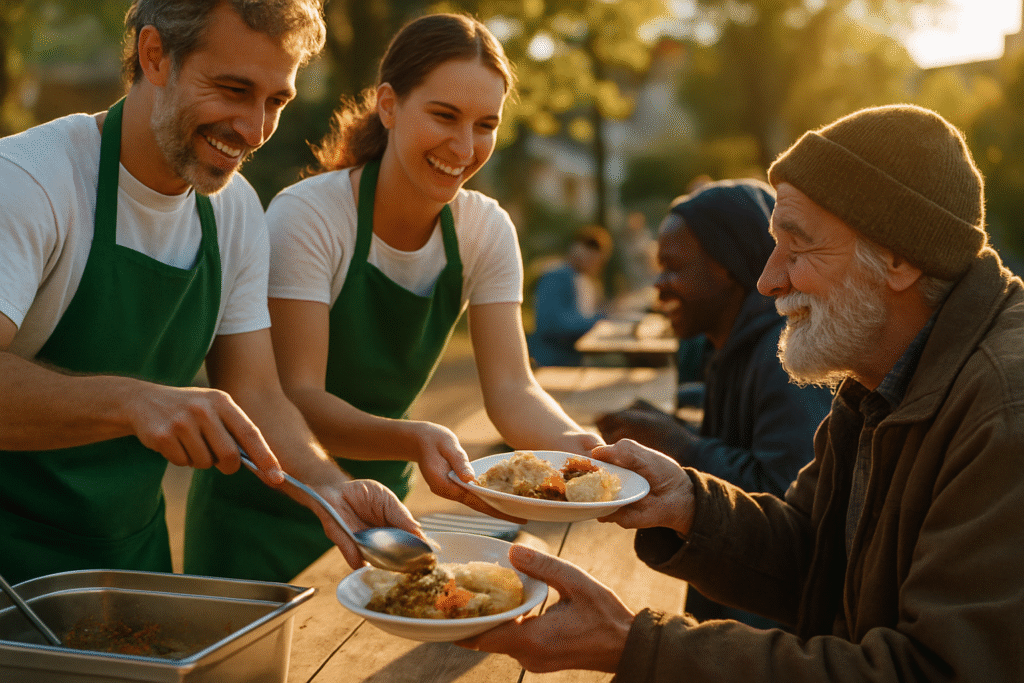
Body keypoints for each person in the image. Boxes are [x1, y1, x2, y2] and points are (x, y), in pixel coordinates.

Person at [465, 104, 1024, 682]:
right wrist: (687, 503)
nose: (768, 279)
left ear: (899, 257)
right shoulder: (883, 373)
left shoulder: (1005, 412)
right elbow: (812, 555)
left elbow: (932, 671)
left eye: (798, 247)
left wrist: (638, 647)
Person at [0, 0, 421, 587]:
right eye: (232, 88)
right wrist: (136, 402)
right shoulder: (31, 181)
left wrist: (332, 489)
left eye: (276, 101)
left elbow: (256, 393)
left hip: (130, 567)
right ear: (155, 56)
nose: (253, 130)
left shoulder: (235, 210)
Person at [184, 13, 603, 582]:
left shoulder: (484, 230)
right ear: (388, 106)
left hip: (383, 518)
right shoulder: (309, 216)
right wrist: (415, 436)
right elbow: (296, 396)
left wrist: (588, 455)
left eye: (486, 124)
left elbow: (513, 389)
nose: (464, 145)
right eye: (444, 115)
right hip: (265, 516)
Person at [595, 179, 831, 626]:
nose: (659, 286)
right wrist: (663, 429)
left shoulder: (786, 357)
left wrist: (681, 447)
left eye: (672, 267)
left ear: (725, 267)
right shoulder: (726, 348)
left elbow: (787, 503)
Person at [527, 225, 614, 367]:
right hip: (554, 360)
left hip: (573, 357)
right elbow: (555, 325)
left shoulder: (584, 281)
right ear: (576, 248)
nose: (595, 264)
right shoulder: (556, 277)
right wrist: (600, 319)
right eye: (592, 257)